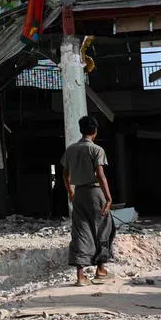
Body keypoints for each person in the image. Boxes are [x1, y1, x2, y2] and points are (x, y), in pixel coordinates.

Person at [62, 115, 114, 286]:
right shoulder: (97, 150)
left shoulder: (70, 150)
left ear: (80, 130)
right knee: (103, 229)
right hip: (95, 193)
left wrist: (71, 192)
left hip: (79, 194)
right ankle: (100, 270)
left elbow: (65, 174)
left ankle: (80, 276)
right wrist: (108, 198)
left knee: (80, 231)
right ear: (95, 131)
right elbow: (100, 174)